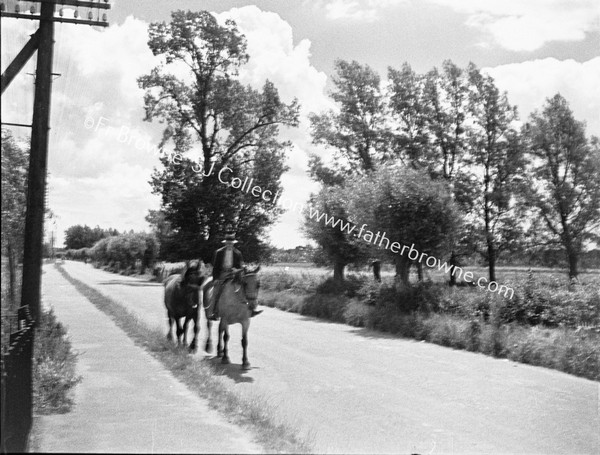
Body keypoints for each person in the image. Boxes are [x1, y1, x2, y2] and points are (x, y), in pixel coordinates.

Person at [208, 227, 262, 320]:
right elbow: (215, 267)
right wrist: (215, 279)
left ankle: (251, 310)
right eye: (228, 243)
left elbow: (240, 266)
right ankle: (213, 311)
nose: (229, 244)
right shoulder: (219, 252)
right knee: (216, 291)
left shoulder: (238, 253)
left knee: (246, 288)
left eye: (231, 243)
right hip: (222, 274)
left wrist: (237, 270)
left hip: (234, 275)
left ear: (233, 244)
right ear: (225, 243)